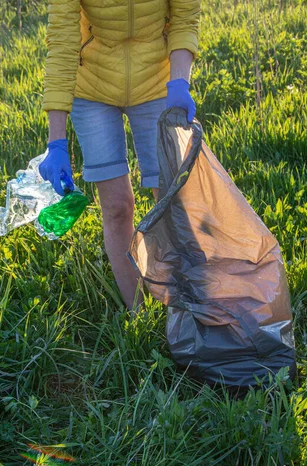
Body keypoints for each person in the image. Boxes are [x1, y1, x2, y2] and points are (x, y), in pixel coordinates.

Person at [39, 0, 200, 310]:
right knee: (116, 207)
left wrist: (179, 81)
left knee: (170, 200)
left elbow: (185, 18)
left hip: (155, 83)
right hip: (93, 89)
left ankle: (180, 307)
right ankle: (137, 312)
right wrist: (56, 141)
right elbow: (62, 44)